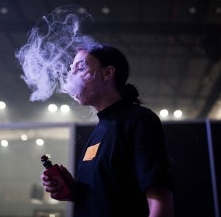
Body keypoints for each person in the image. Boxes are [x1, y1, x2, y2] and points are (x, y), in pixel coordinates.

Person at [41, 44, 174, 217]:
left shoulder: (139, 120)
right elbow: (109, 196)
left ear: (108, 73)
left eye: (81, 67)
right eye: (71, 70)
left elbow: (161, 203)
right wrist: (73, 191)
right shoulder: (99, 131)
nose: (71, 76)